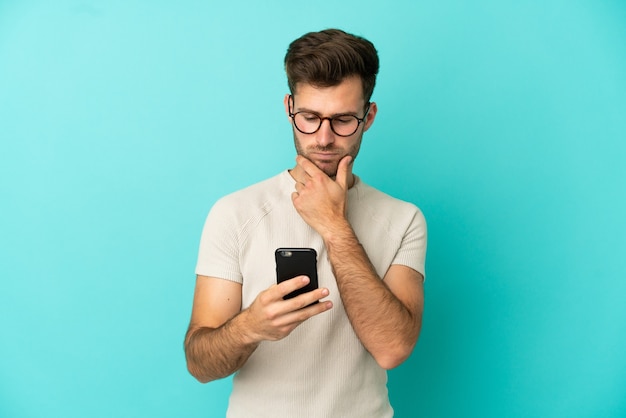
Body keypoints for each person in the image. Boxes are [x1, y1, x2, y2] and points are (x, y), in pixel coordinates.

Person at [184, 28, 427, 418]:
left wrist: (334, 226)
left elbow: (393, 348)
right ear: (289, 108)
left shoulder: (403, 219)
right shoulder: (235, 213)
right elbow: (200, 363)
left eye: (344, 119)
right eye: (310, 117)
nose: (324, 138)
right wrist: (251, 326)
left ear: (369, 117)